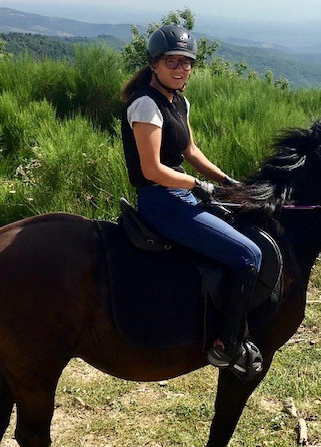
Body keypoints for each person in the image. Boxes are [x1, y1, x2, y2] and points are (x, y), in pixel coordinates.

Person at [120, 24, 263, 380]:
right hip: (161, 201)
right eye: (173, 61)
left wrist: (227, 182)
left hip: (181, 192)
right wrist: (196, 185)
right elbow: (152, 169)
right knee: (249, 255)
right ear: (154, 64)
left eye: (187, 62)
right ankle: (227, 345)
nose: (181, 69)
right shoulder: (145, 105)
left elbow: (190, 151)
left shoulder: (179, 101)